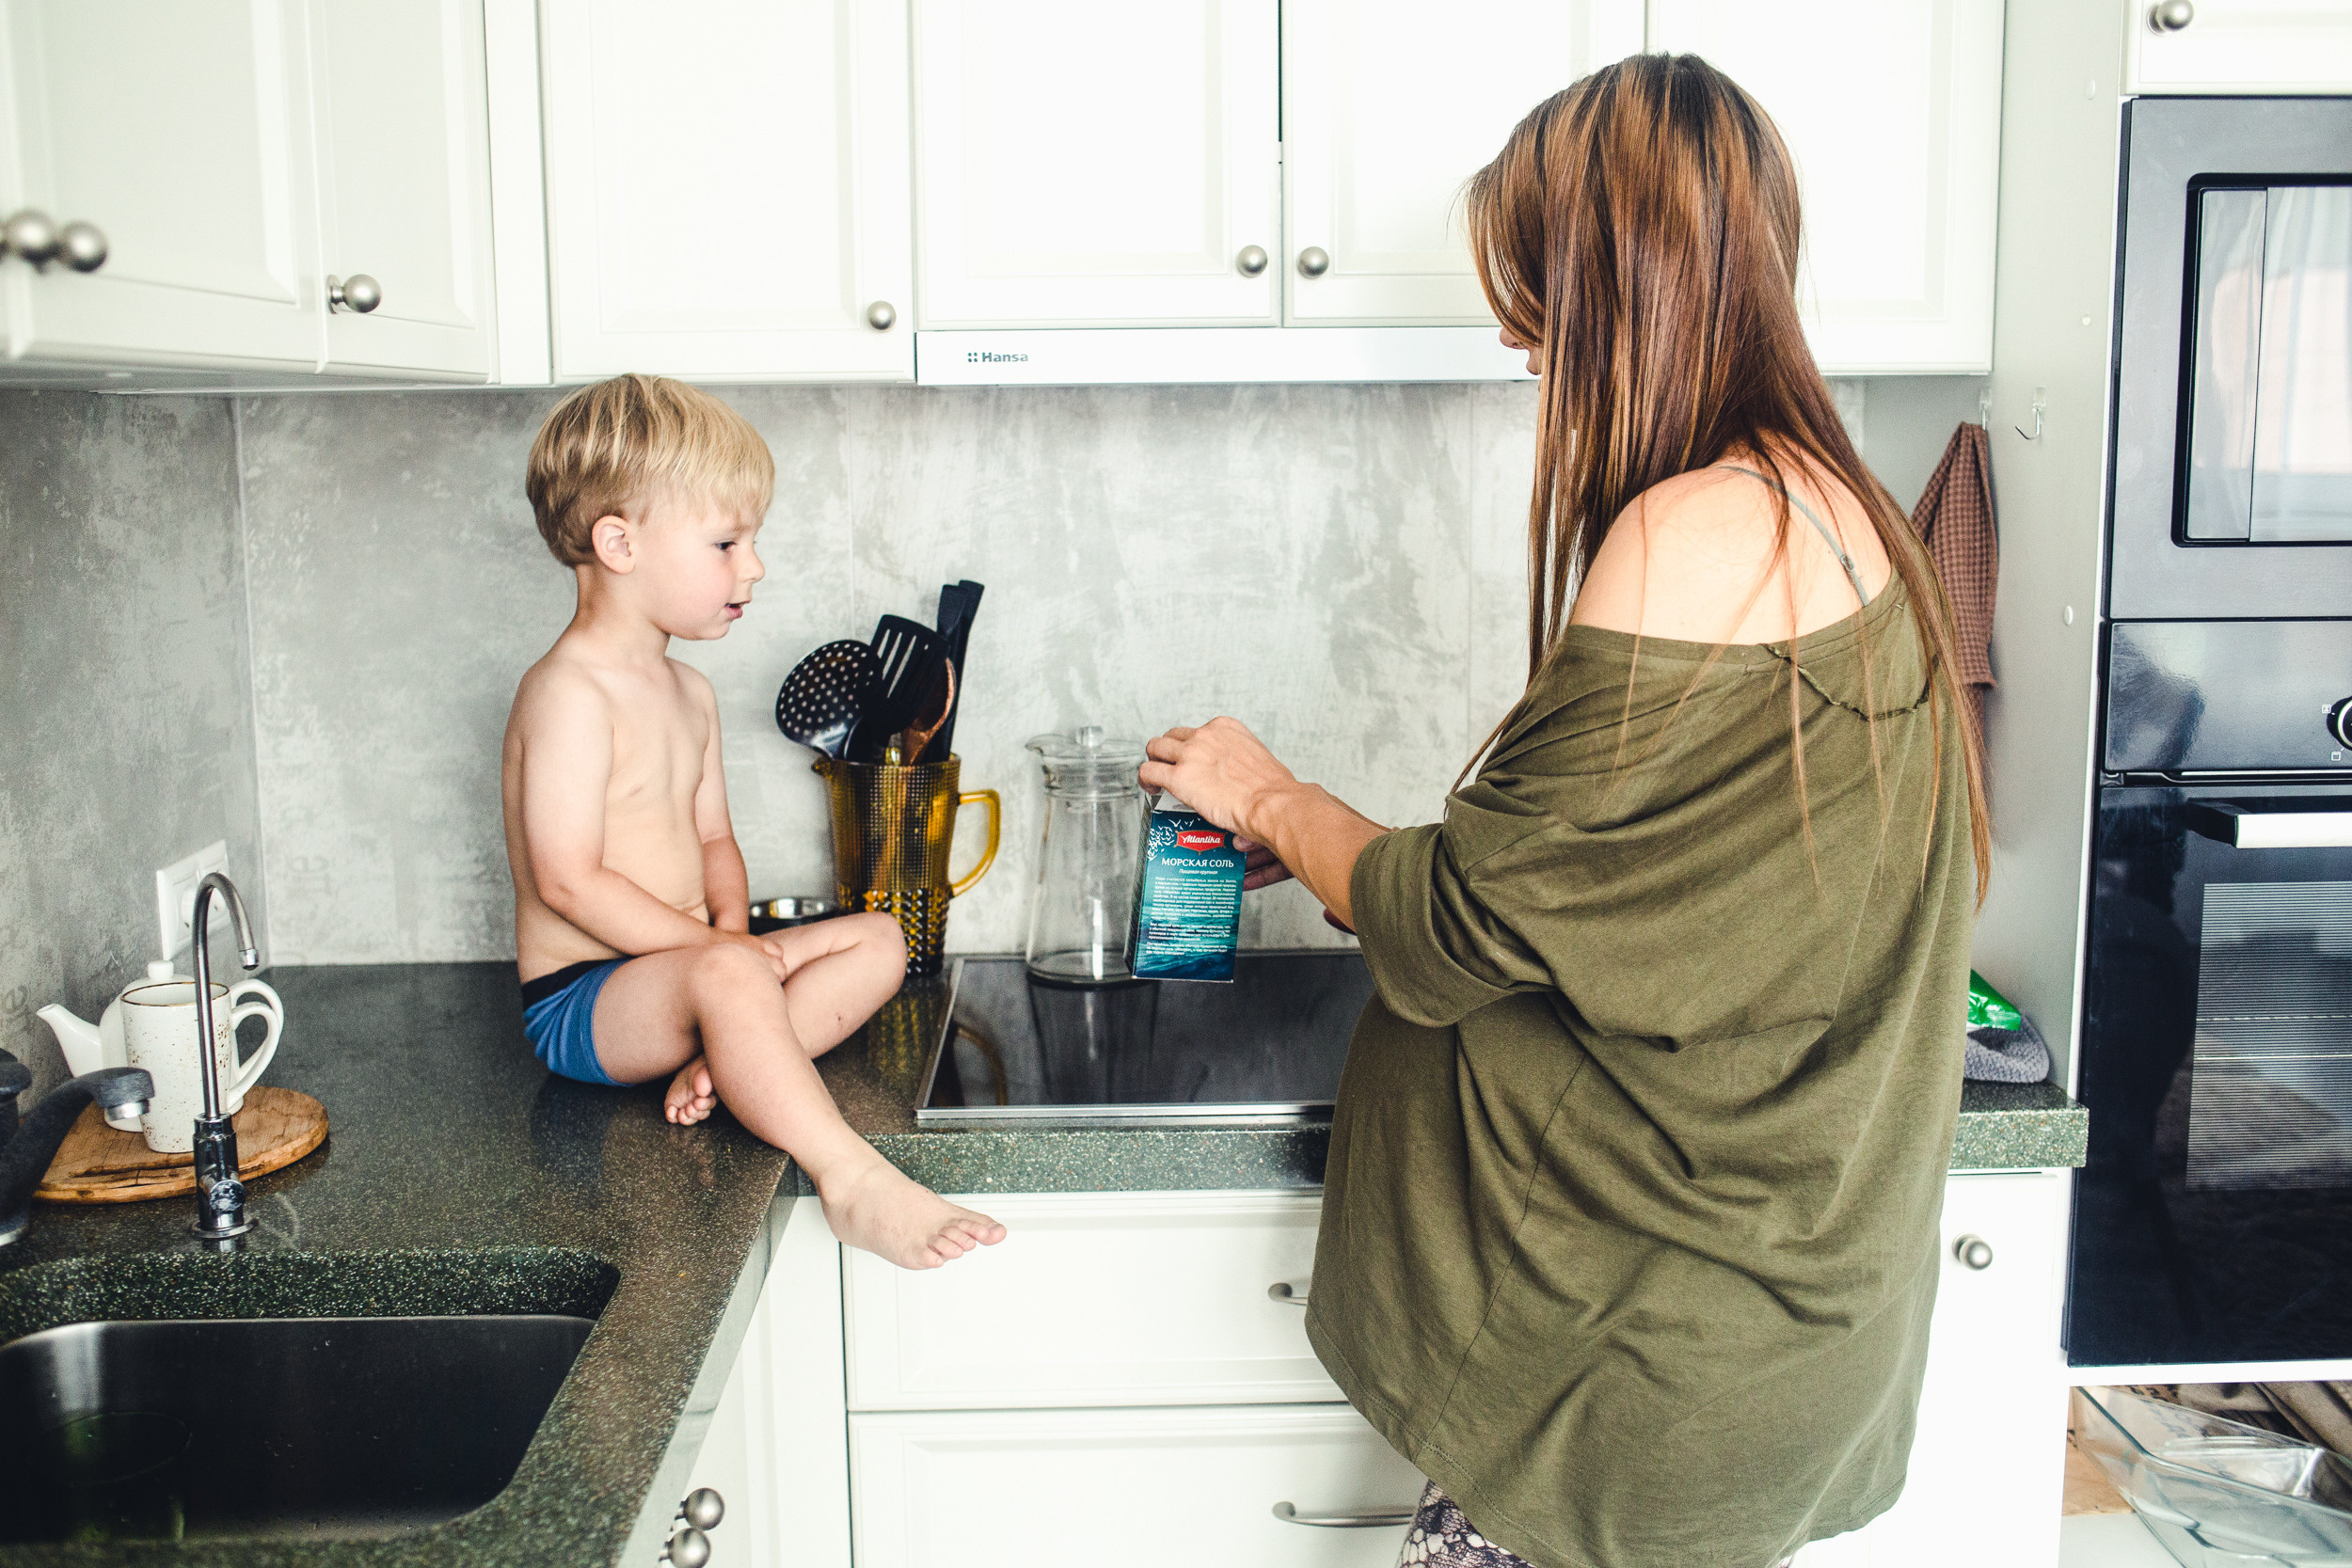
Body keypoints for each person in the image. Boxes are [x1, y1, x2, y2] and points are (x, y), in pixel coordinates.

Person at [1141, 55, 1990, 1568]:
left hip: (1633, 1354)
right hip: (1754, 1338)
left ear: (1617, 283)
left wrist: (1274, 794)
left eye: (1537, 291)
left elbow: (1460, 928)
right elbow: (1609, 900)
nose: (1523, 339)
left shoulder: (1698, 526)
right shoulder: (1848, 506)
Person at [501, 373, 1006, 1271]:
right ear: (619, 543)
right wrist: (725, 961)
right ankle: (853, 1179)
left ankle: (730, 1065)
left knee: (884, 940)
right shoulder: (566, 692)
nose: (755, 566)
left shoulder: (688, 691)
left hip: (692, 968)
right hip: (587, 998)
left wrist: (729, 936)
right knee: (739, 979)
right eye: (727, 541)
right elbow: (567, 879)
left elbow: (713, 845)